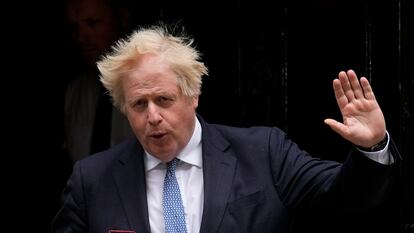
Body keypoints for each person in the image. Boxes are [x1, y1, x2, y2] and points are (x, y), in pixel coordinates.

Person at [52, 25, 400, 233]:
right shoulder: (92, 180)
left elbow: (345, 196)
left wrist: (372, 148)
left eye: (164, 99)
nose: (153, 116)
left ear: (193, 96)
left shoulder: (263, 153)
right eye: (139, 105)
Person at [63, 0, 133, 163]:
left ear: (122, 18)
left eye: (92, 23)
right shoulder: (75, 93)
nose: (81, 38)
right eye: (74, 28)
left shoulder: (155, 85)